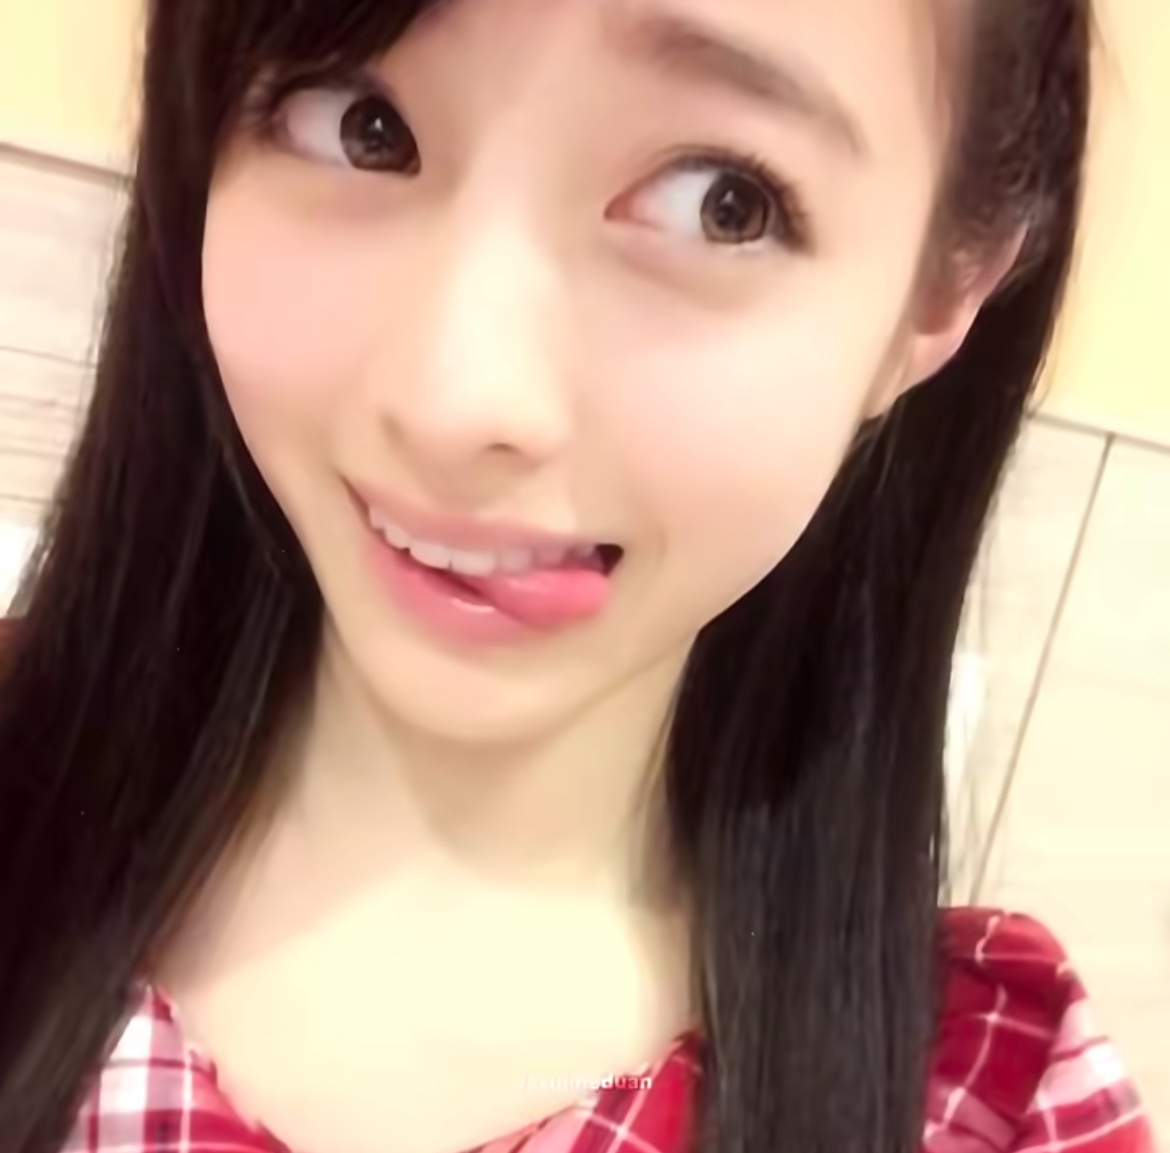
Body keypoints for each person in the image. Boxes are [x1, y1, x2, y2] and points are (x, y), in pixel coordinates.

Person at [0, 0, 1156, 1151]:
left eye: (720, 202)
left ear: (944, 287)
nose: (457, 401)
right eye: (361, 124)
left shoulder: (994, 1106)